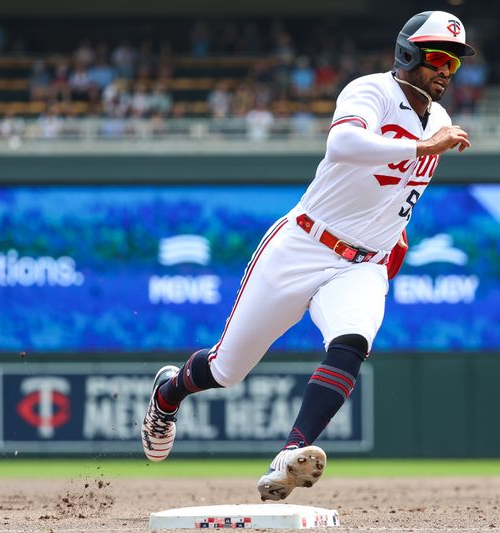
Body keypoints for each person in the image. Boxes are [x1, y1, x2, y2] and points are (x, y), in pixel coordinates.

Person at [140, 10, 474, 501]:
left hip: (362, 262)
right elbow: (342, 144)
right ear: (408, 54)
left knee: (352, 341)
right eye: (438, 57)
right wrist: (424, 144)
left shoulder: (439, 119)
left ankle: (289, 456)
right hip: (303, 243)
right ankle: (169, 394)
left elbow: (399, 200)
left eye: (455, 62)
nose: (446, 69)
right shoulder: (372, 91)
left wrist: (388, 253)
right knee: (226, 370)